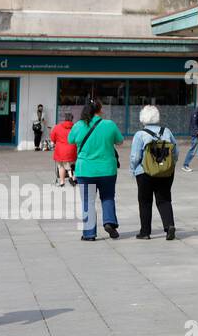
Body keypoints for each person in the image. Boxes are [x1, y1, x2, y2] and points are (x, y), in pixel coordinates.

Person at [68, 100, 124, 241]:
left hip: (85, 170)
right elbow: (120, 141)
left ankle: (89, 233)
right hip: (107, 170)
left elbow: (70, 140)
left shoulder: (79, 125)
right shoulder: (109, 125)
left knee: (88, 201)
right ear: (99, 110)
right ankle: (110, 222)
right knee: (108, 197)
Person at [130, 105, 177, 240]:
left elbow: (135, 157)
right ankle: (169, 226)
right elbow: (175, 151)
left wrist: (133, 169)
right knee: (164, 199)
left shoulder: (140, 134)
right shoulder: (167, 131)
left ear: (142, 118)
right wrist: (170, 165)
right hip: (166, 172)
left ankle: (145, 232)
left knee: (145, 201)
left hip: (145, 172)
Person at [50, 112, 76, 187]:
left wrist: (57, 142)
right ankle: (73, 177)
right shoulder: (75, 127)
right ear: (72, 119)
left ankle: (62, 182)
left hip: (60, 150)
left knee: (61, 166)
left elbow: (52, 138)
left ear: (65, 119)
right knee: (72, 165)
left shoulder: (57, 127)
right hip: (72, 149)